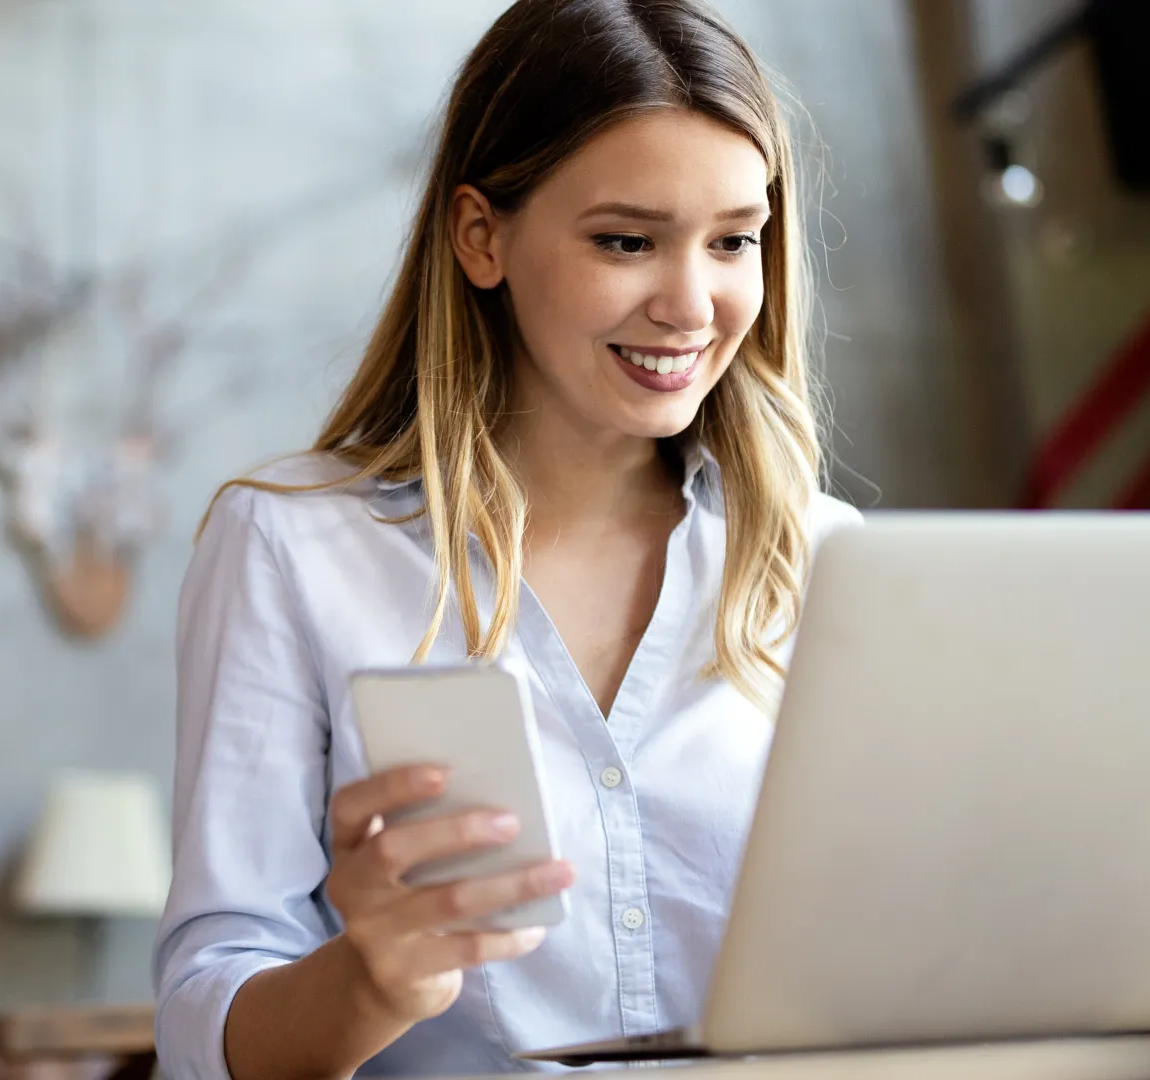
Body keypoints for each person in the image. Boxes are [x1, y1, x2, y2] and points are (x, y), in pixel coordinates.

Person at [153, 1, 862, 1076]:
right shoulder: (293, 547)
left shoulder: (828, 560)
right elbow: (207, 1009)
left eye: (732, 242)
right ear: (481, 236)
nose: (692, 304)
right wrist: (374, 980)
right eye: (626, 241)